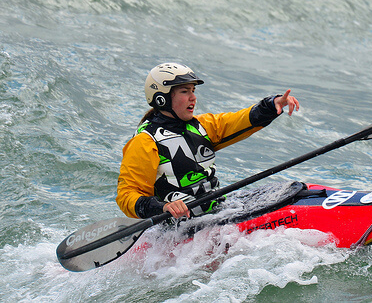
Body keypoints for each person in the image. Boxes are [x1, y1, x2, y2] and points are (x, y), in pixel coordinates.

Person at [116, 62, 299, 220]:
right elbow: (127, 194)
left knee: (296, 191)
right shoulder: (144, 142)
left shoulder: (202, 126)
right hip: (178, 227)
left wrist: (270, 104)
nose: (193, 97)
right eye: (184, 91)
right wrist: (162, 207)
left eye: (193, 91)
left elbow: (237, 121)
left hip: (217, 211)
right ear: (162, 98)